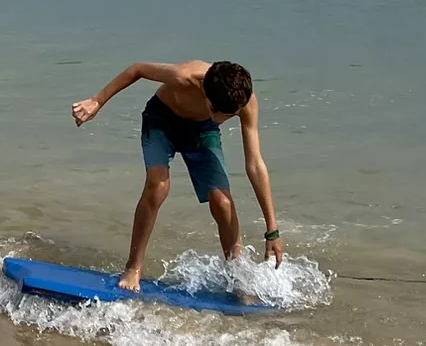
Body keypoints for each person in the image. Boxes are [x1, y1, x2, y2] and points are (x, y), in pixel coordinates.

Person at [71, 59, 282, 292]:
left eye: (229, 116)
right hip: (162, 120)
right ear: (204, 92)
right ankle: (133, 267)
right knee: (158, 186)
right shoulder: (184, 76)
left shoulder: (244, 101)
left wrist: (272, 229)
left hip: (202, 131)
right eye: (216, 111)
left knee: (222, 201)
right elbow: (137, 69)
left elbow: (254, 164)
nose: (222, 120)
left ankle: (237, 273)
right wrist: (97, 101)